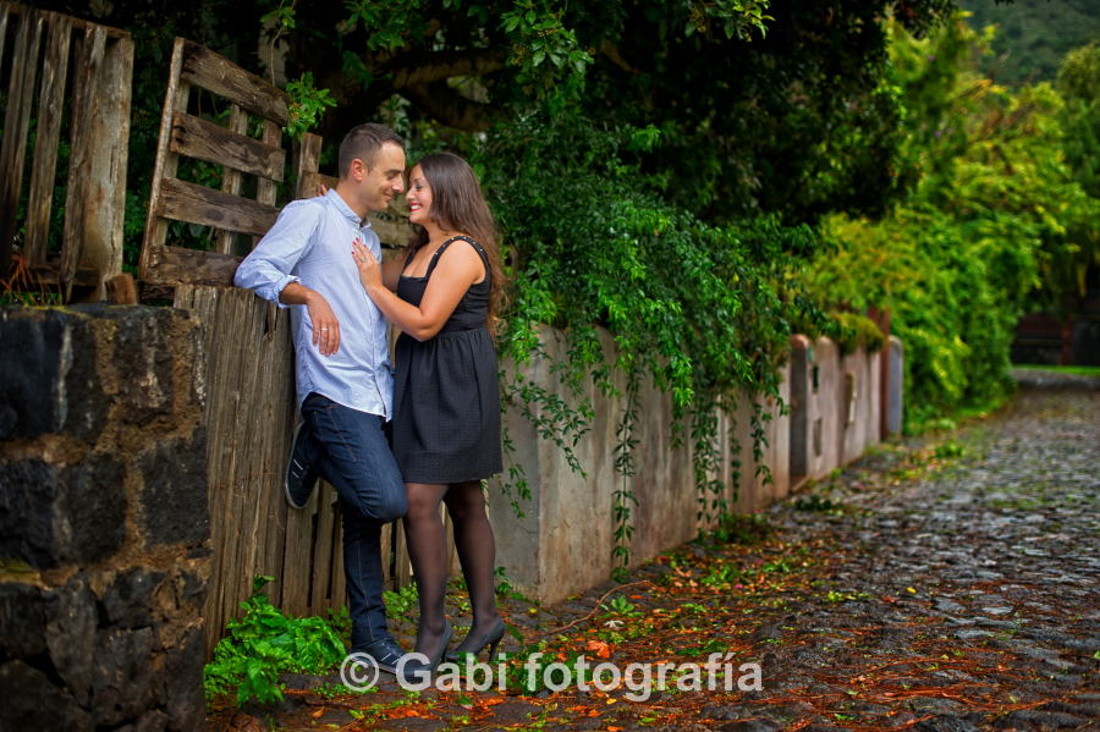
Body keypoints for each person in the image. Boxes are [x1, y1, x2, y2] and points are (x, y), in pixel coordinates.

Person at [233, 123, 409, 673]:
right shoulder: (309, 215)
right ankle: (311, 442)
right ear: (357, 169)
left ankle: (370, 637)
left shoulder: (370, 238)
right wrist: (308, 295)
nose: (399, 187)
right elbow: (253, 270)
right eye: (392, 174)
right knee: (385, 499)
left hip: (375, 391)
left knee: (363, 514)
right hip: (332, 392)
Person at [351, 151, 506, 676]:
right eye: (407, 185)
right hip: (423, 385)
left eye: (418, 186)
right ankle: (485, 618)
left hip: (458, 387)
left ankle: (433, 628)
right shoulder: (422, 249)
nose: (409, 194)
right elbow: (372, 274)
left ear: (446, 190)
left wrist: (374, 287)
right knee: (463, 496)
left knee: (421, 499)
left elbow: (421, 324)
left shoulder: (461, 251)